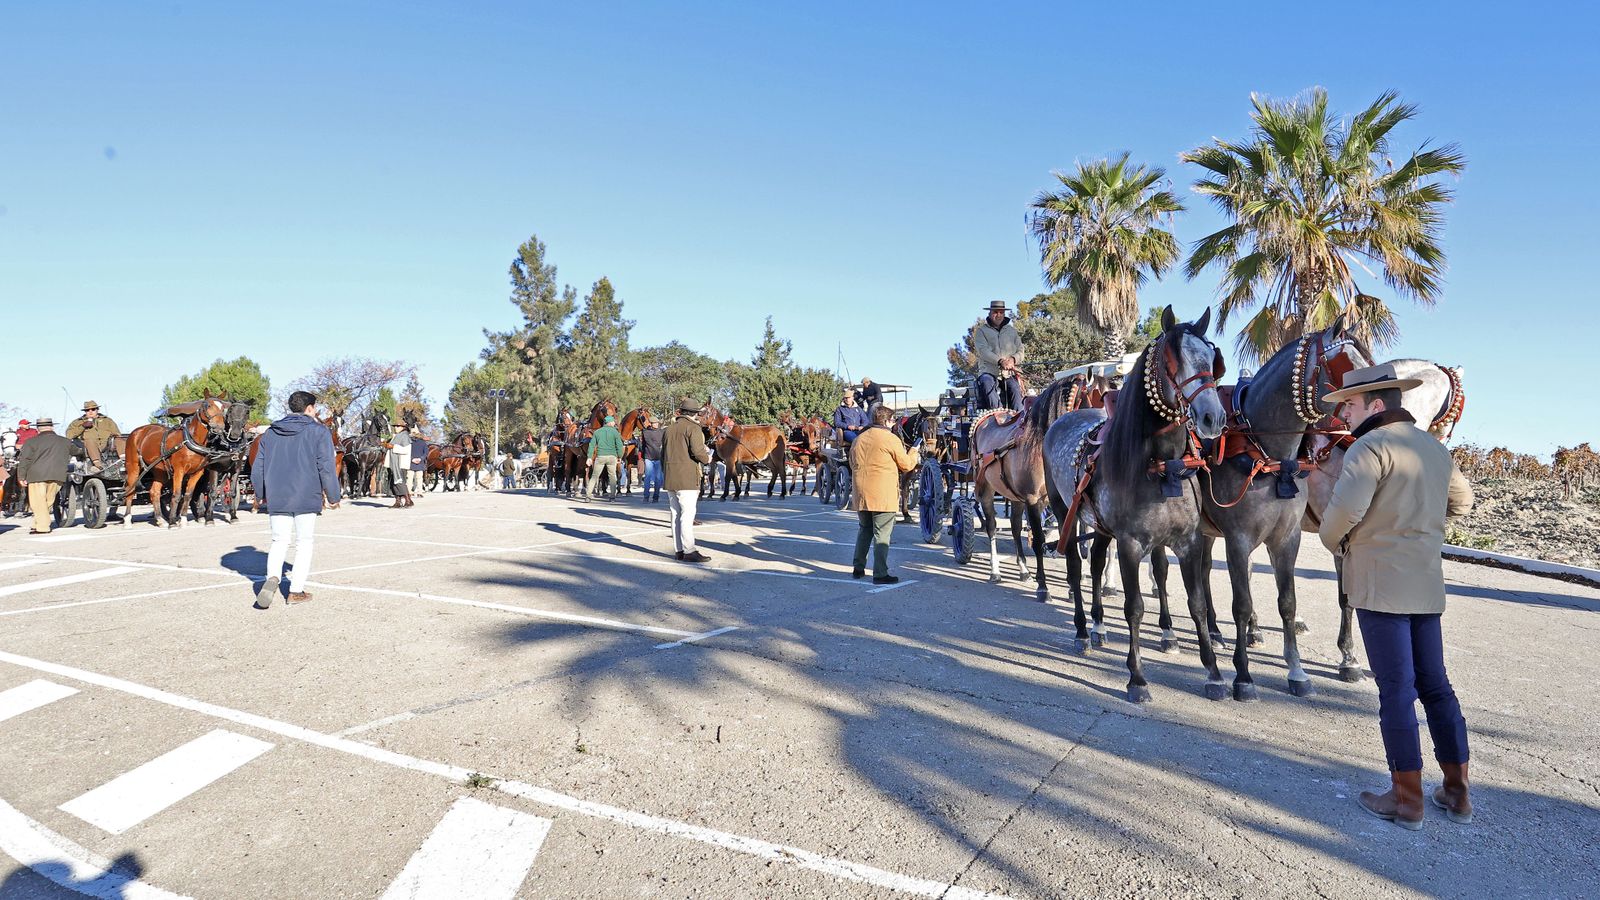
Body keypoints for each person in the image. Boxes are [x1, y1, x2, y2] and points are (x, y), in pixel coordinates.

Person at [1319, 363, 1476, 831]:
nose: (1343, 413)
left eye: (1349, 404)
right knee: (1436, 685)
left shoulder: (1368, 447)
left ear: (1376, 404)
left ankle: (1407, 800)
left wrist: (1339, 543)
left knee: (1396, 691)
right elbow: (1463, 503)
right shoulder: (1434, 448)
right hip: (1425, 584)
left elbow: (1341, 514)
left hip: (1379, 583)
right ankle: (1457, 791)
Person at [251, 390, 342, 608]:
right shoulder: (319, 432)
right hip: (306, 493)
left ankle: (272, 577)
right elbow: (326, 467)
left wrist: (261, 494)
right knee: (304, 542)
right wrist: (333, 496)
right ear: (310, 408)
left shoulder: (270, 433)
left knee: (279, 540)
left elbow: (258, 468)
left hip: (277, 495)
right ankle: (296, 591)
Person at [849, 405, 920, 585]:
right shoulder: (890, 438)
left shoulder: (859, 438)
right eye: (893, 420)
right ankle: (880, 573)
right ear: (888, 421)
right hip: (882, 494)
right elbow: (906, 465)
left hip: (861, 494)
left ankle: (858, 567)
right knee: (882, 535)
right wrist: (914, 451)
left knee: (864, 530)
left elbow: (851, 462)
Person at [662, 398, 712, 562]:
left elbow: (663, 455)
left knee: (675, 514)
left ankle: (679, 550)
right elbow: (698, 452)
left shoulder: (668, 429)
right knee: (687, 515)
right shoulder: (693, 428)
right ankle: (689, 550)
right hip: (687, 477)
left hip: (671, 476)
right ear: (694, 414)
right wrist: (708, 458)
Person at [15, 417, 72, 535]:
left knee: (38, 502)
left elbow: (24, 460)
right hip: (58, 475)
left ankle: (43, 527)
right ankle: (36, 524)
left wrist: (21, 476)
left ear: (38, 429)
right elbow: (78, 451)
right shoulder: (65, 441)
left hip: (37, 475)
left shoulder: (31, 442)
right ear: (52, 426)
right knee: (47, 502)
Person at [973, 300, 1024, 411]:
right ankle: (998, 414)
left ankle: (1020, 418)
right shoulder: (981, 331)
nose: (999, 315)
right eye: (995, 312)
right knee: (987, 382)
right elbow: (983, 351)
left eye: (1001, 312)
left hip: (1009, 373)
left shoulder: (1012, 331)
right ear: (990, 313)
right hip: (989, 371)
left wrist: (1013, 359)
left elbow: (1021, 350)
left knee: (1015, 388)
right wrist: (1000, 361)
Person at [65, 401, 120, 473]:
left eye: (93, 409)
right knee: (89, 440)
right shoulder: (77, 422)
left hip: (107, 447)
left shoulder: (107, 421)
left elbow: (117, 433)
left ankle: (123, 460)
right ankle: (98, 466)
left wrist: (113, 440)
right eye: (87, 410)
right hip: (88, 448)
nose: (90, 412)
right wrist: (83, 426)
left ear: (97, 410)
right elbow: (69, 435)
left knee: (120, 439)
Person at [585, 415, 624, 501]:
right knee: (612, 476)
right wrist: (620, 456)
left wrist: (589, 457)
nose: (614, 423)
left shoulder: (597, 432)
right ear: (610, 422)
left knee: (594, 476)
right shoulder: (615, 432)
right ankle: (612, 497)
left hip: (600, 456)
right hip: (612, 457)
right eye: (613, 422)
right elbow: (620, 446)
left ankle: (588, 496)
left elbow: (591, 445)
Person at [638, 412, 665, 503]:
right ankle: (646, 496)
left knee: (658, 479)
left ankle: (656, 497)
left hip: (658, 458)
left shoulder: (662, 432)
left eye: (657, 423)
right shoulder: (646, 432)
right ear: (651, 424)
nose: (656, 424)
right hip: (649, 457)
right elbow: (646, 444)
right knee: (648, 477)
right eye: (654, 423)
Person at [387, 422, 414, 509]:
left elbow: (406, 450)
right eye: (395, 426)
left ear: (403, 427)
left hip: (401, 463)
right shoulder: (397, 436)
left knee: (400, 482)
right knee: (393, 483)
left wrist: (393, 447)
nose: (396, 427)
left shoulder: (405, 436)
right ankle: (398, 502)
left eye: (398, 426)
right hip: (393, 464)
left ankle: (408, 501)